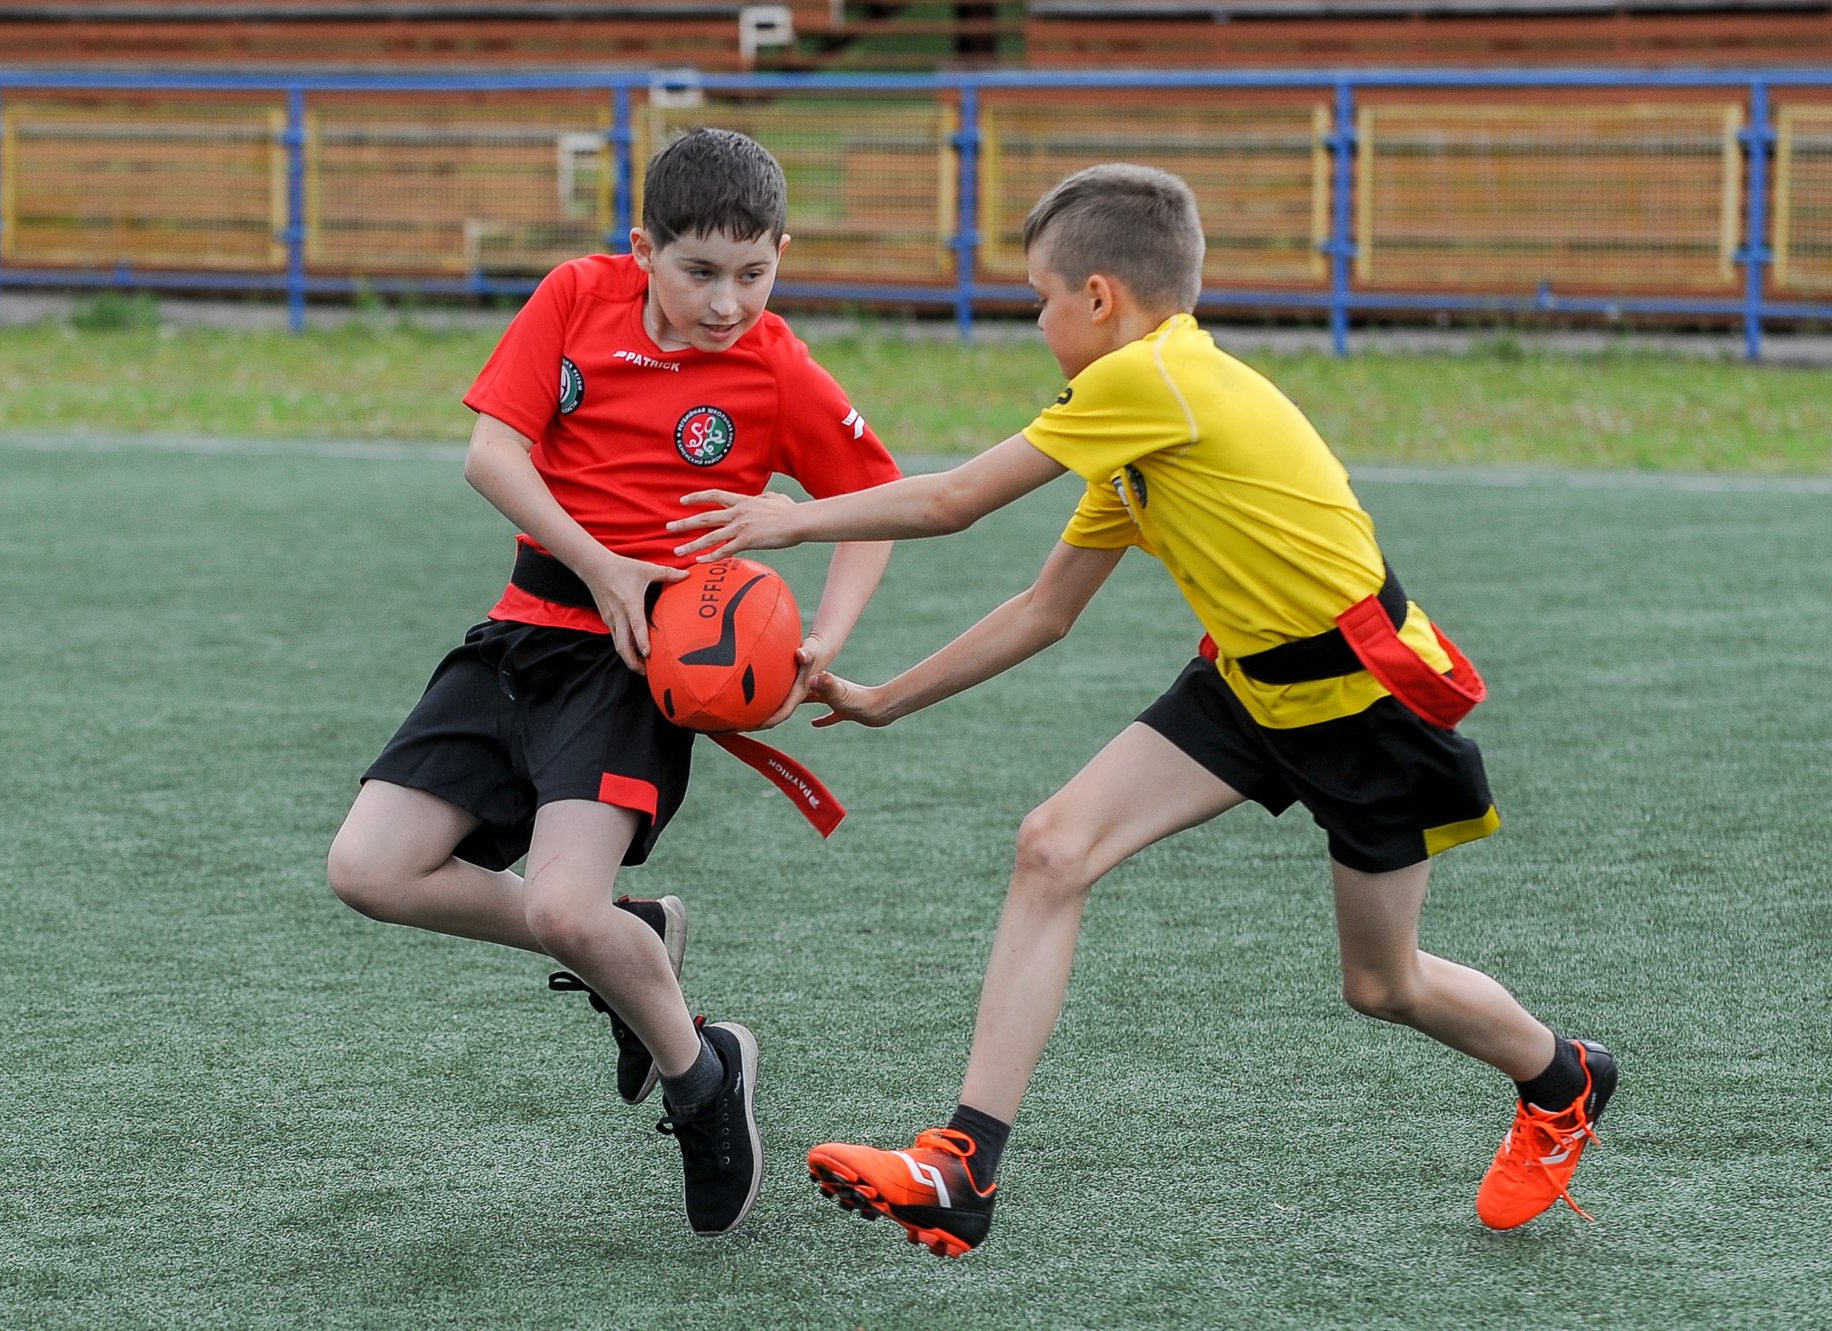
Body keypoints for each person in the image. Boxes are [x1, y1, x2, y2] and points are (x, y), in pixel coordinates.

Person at [666, 163, 1617, 1257]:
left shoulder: (1152, 378)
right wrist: (883, 700)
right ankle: (959, 1165)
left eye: (1040, 298)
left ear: (1102, 298)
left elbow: (949, 500)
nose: (1037, 319)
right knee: (1051, 846)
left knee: (1382, 982)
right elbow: (1042, 607)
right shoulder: (1137, 431)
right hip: (1251, 682)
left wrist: (787, 522)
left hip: (1365, 703)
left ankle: (1561, 1076)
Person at [325, 128, 899, 1238]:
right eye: (697, 272)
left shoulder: (775, 365)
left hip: (642, 670)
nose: (727, 301)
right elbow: (491, 454)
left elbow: (870, 500)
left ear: (780, 252)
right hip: (521, 631)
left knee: (558, 903)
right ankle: (634, 932)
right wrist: (600, 563)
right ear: (642, 249)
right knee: (369, 868)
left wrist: (822, 634)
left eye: (753, 272)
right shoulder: (576, 295)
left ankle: (702, 1075)